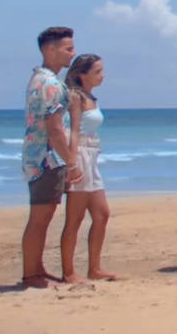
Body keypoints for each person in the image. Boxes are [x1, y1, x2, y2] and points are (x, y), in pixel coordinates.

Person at [21, 27, 81, 288]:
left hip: (39, 158)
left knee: (43, 217)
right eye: (68, 48)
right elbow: (55, 129)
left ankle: (37, 268)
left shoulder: (40, 79)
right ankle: (31, 274)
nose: (73, 53)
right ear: (50, 49)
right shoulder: (50, 84)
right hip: (46, 159)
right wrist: (71, 162)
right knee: (40, 217)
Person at [61, 54, 116, 283]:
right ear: (82, 75)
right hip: (80, 154)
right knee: (74, 218)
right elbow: (73, 131)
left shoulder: (91, 97)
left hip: (92, 155)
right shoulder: (76, 97)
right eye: (97, 71)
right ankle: (69, 272)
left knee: (102, 214)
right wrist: (71, 164)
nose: (102, 75)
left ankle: (94, 268)